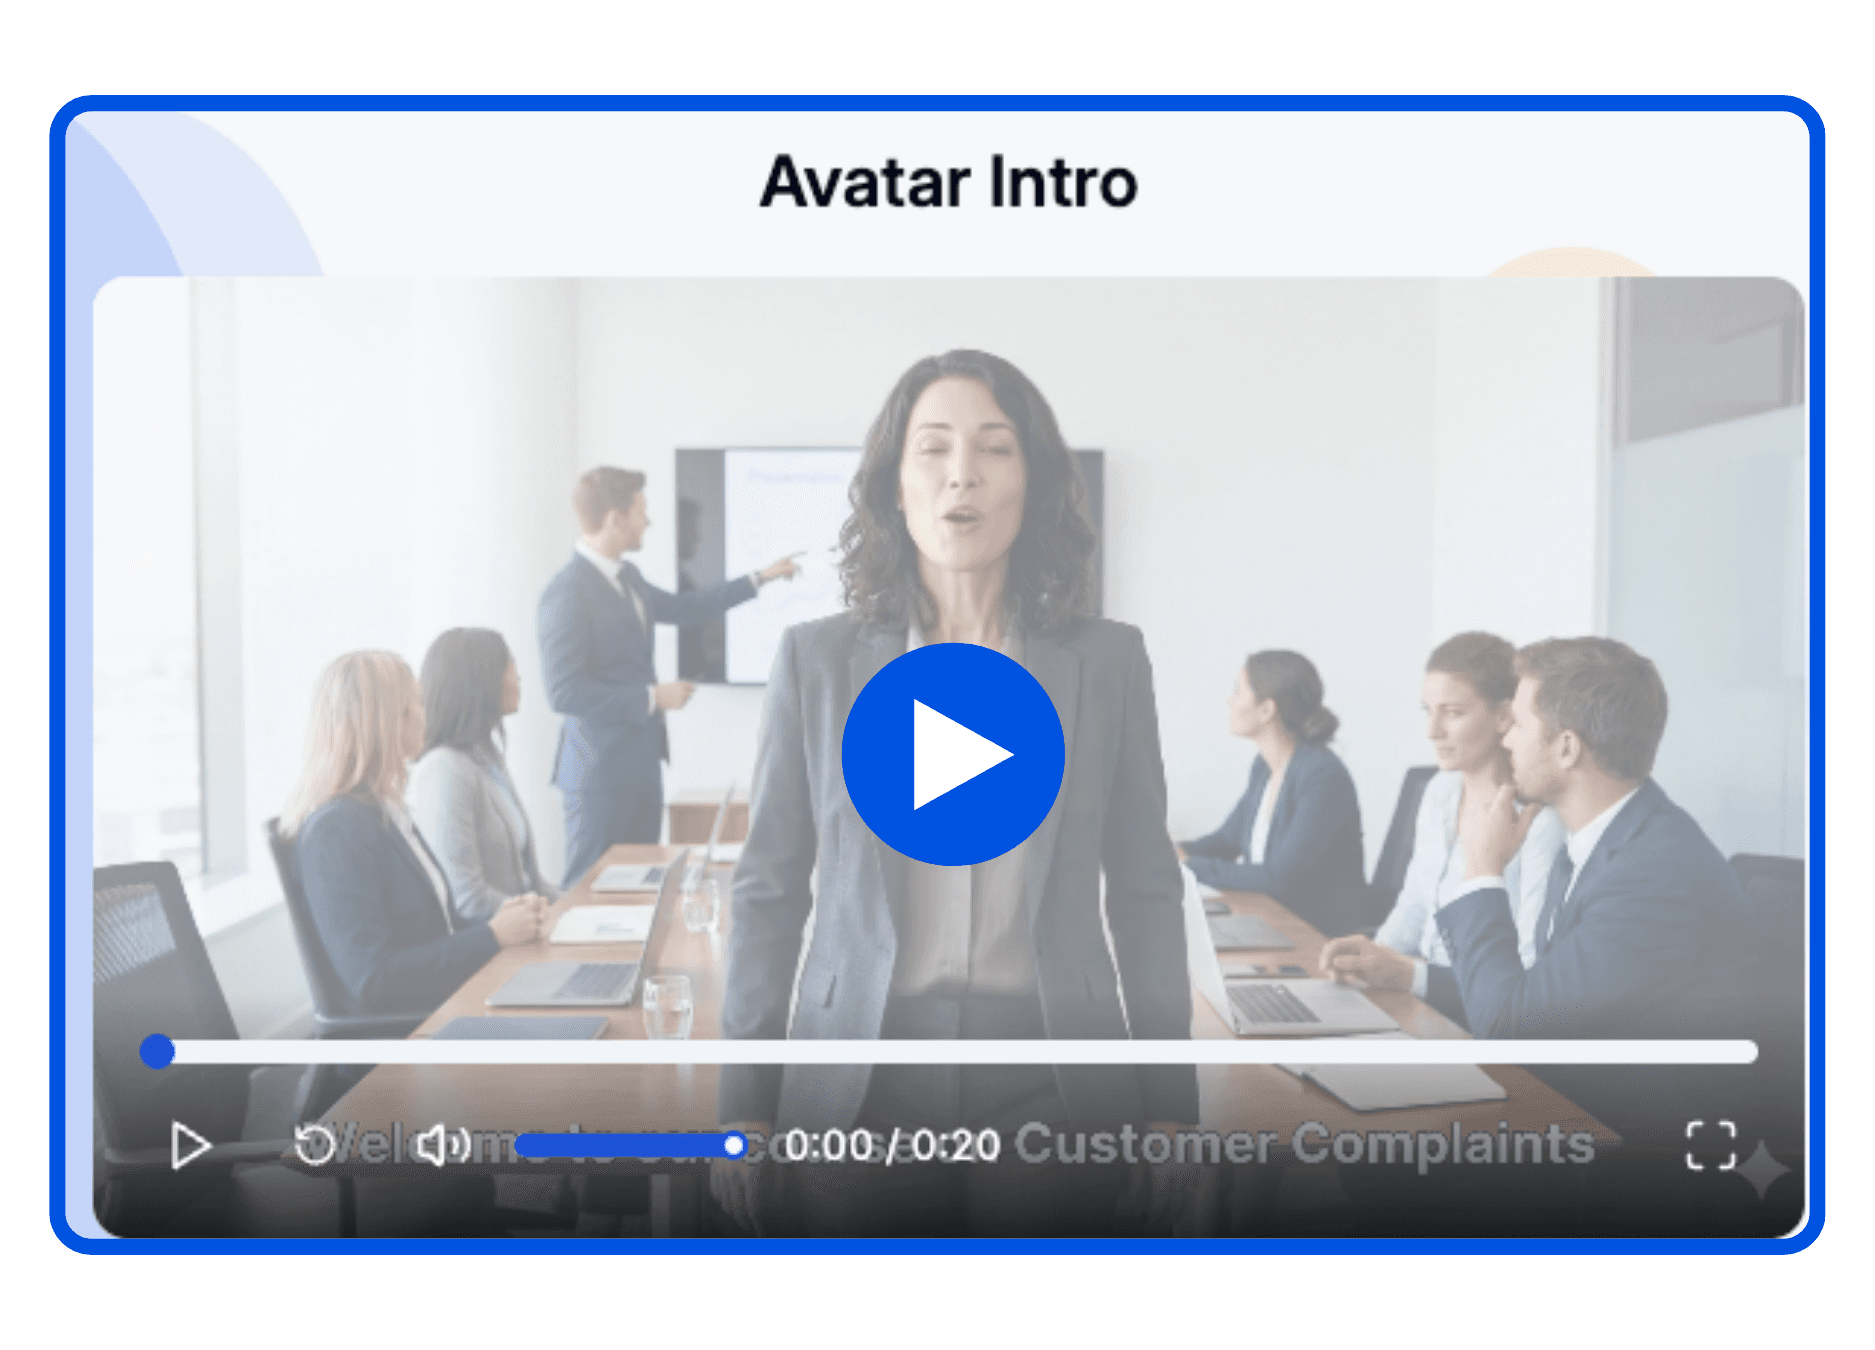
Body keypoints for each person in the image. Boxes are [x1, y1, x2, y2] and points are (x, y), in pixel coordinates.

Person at [712, 350, 1200, 1237]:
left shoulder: (1108, 660)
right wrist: (742, 1104)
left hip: (1052, 1075)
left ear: (1036, 483)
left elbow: (1144, 890)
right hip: (862, 1072)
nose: (961, 475)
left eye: (994, 448)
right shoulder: (816, 662)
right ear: (895, 487)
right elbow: (768, 888)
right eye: (931, 449)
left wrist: (1172, 1103)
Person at [1430, 636, 1758, 1140]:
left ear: (1566, 747)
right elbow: (1536, 996)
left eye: (1517, 723)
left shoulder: (1655, 871)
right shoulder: (1602, 841)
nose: (1506, 740)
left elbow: (1506, 1029)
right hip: (1581, 1108)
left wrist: (1482, 867)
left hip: (1646, 1156)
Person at [538, 466, 801, 887]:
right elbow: (563, 691)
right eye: (641, 512)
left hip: (641, 766)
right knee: (589, 892)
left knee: (640, 889)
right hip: (598, 776)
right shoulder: (566, 592)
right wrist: (652, 698)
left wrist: (759, 579)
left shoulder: (629, 578)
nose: (649, 522)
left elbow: (686, 609)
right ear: (614, 519)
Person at [1316, 632, 1565, 1026]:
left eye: (1452, 712)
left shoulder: (1539, 822)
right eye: (1427, 710)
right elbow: (1414, 904)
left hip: (1478, 1020)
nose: (1433, 730)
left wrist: (1405, 974)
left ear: (1504, 716)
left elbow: (1527, 974)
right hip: (1420, 1003)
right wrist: (1369, 959)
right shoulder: (1439, 791)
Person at [283, 650, 546, 1016]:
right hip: (412, 1033)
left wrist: (506, 919)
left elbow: (435, 929)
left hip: (446, 1003)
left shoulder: (383, 811)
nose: (427, 716)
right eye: (418, 705)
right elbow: (373, 978)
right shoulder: (338, 829)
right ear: (387, 721)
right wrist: (492, 936)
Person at [1180, 650, 1365, 937]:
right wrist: (1167, 851)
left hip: (1313, 938)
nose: (1228, 701)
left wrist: (1187, 864)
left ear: (1267, 709)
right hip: (1270, 922)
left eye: (1237, 691)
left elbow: (1278, 878)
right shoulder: (1265, 767)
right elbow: (1226, 841)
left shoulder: (1322, 777)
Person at [408, 627, 558, 924]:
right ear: (480, 680)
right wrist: (543, 916)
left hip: (526, 933)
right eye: (509, 665)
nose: (519, 678)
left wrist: (575, 906)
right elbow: (467, 899)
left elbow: (530, 882)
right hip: (493, 952)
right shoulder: (445, 769)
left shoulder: (487, 758)